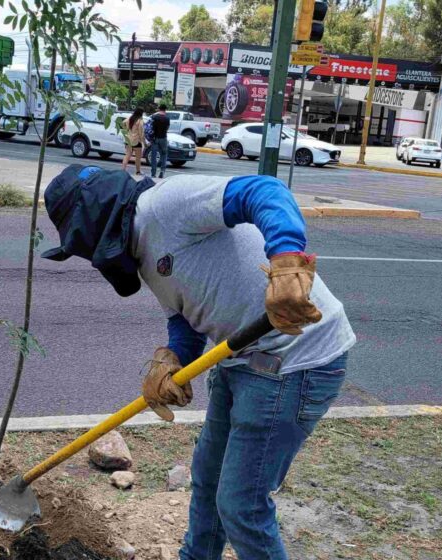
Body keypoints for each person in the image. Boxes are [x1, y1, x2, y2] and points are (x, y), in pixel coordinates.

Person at [41, 166, 355, 560]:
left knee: (242, 505)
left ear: (93, 226)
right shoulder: (142, 254)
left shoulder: (166, 204)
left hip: (296, 358)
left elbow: (264, 191)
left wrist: (287, 262)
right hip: (241, 358)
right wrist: (173, 359)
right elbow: (186, 317)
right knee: (207, 481)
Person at [121, 108, 146, 175]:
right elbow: (141, 133)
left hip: (128, 140)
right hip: (136, 141)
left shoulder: (129, 118)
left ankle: (123, 169)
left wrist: (127, 131)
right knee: (138, 158)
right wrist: (144, 142)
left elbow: (123, 123)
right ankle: (138, 171)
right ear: (140, 114)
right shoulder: (140, 121)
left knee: (127, 155)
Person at [149, 104, 171, 179]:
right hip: (163, 138)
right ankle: (162, 171)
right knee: (164, 154)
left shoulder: (154, 117)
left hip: (155, 138)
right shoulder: (167, 118)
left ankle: (153, 173)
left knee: (154, 156)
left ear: (159, 109)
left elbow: (150, 127)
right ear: (165, 109)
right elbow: (167, 128)